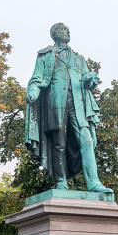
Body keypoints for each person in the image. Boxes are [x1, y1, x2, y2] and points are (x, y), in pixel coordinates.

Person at [25, 23, 112, 192]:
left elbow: (90, 81)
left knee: (86, 140)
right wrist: (33, 93)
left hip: (79, 106)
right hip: (56, 105)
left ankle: (93, 182)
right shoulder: (46, 55)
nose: (68, 31)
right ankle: (61, 182)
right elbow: (36, 78)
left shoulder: (79, 58)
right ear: (55, 34)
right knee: (59, 144)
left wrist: (91, 80)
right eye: (64, 29)